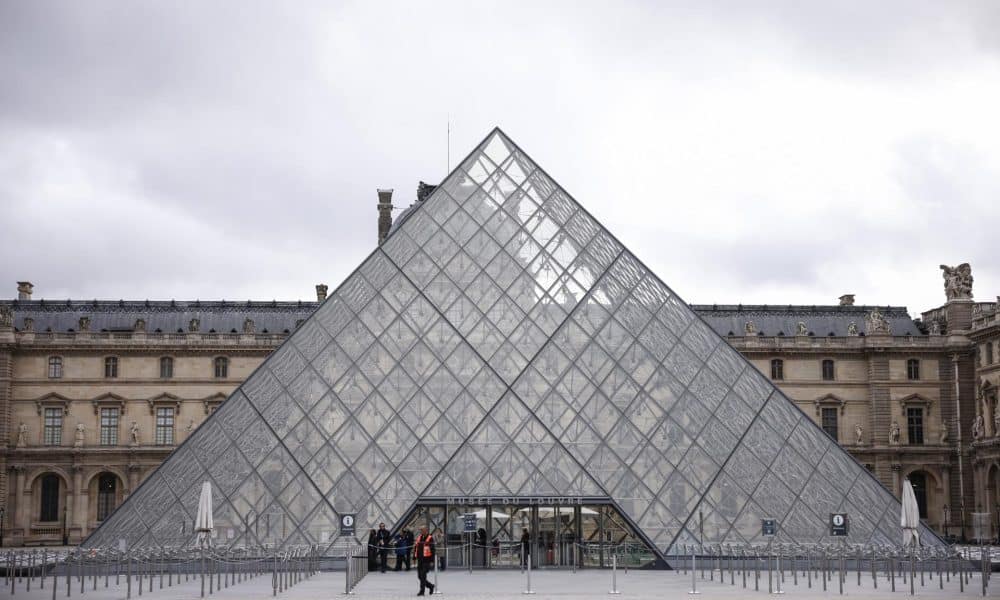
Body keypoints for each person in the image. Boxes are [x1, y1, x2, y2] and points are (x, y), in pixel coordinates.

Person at [414, 526, 436, 596]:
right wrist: (414, 557)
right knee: (419, 576)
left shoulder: (430, 538)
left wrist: (432, 561)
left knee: (423, 575)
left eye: (422, 530)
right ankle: (430, 586)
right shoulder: (419, 537)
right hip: (420, 559)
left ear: (426, 531)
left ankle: (421, 591)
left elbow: (433, 550)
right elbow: (416, 547)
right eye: (421, 530)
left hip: (427, 560)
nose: (421, 531)